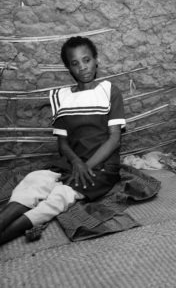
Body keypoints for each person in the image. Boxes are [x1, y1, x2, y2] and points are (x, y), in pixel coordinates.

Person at [0, 36, 126, 245]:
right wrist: (76, 162)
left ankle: (6, 235)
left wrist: (87, 166)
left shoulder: (109, 91)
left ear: (96, 61)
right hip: (70, 162)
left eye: (86, 60)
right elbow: (63, 144)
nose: (83, 67)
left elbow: (114, 139)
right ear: (69, 68)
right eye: (75, 63)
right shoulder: (61, 97)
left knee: (60, 196)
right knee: (33, 181)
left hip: (101, 165)